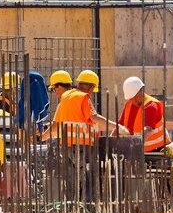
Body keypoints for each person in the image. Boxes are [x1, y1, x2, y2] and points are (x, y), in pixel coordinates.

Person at [42, 70, 129, 202]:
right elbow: (94, 118)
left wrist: (43, 136)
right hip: (83, 147)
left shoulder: (65, 98)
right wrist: (117, 127)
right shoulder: (83, 97)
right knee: (89, 179)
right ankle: (87, 208)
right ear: (92, 87)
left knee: (72, 181)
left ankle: (72, 207)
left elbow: (56, 125)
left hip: (67, 147)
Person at [119, 76, 170, 152]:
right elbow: (120, 125)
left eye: (134, 97)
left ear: (141, 91)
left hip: (158, 151)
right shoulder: (129, 104)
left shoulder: (151, 105)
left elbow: (147, 130)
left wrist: (137, 147)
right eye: (131, 97)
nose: (132, 100)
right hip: (138, 150)